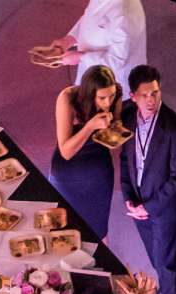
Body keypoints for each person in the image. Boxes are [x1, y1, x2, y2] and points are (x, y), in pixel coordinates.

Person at [120, 66, 176, 294]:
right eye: (145, 94)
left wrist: (148, 207)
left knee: (165, 260)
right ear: (133, 96)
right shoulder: (128, 118)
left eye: (156, 92)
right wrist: (129, 196)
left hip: (164, 209)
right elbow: (126, 160)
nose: (152, 99)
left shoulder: (175, 128)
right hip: (138, 205)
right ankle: (169, 289)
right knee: (157, 258)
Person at [55, 0, 147, 87]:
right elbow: (89, 17)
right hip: (93, 72)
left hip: (111, 83)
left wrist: (80, 57)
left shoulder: (123, 15)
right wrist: (69, 40)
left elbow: (116, 61)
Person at [51, 66, 123, 239]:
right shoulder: (68, 98)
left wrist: (114, 129)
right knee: (59, 225)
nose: (108, 102)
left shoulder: (117, 94)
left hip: (98, 174)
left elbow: (116, 130)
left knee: (98, 229)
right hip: (68, 171)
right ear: (90, 93)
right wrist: (90, 126)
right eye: (102, 98)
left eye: (111, 96)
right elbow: (66, 151)